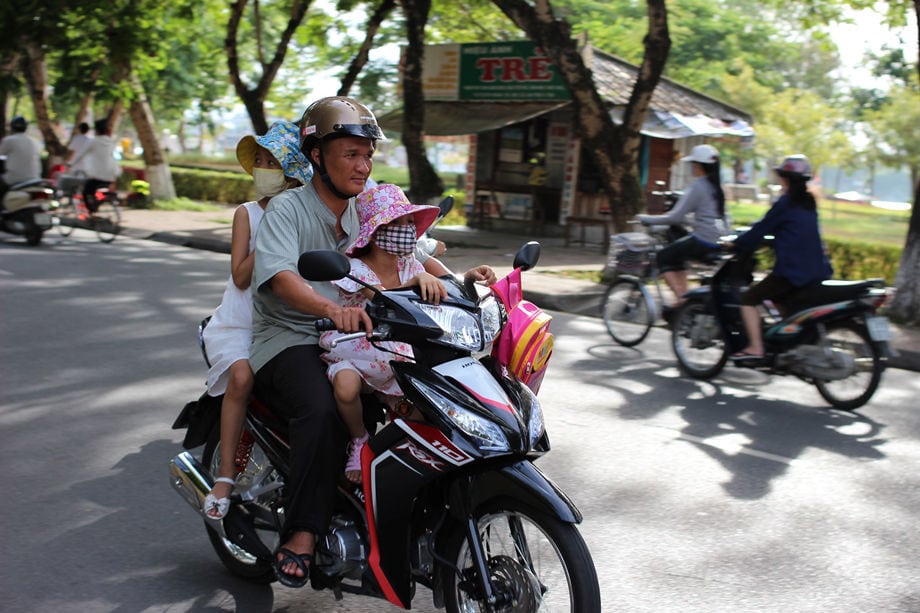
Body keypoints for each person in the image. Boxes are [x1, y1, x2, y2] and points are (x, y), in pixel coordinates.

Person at [251, 96, 491, 587]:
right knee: (320, 409)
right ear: (316, 155)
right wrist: (333, 309)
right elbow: (280, 278)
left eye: (368, 155)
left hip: (374, 332)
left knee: (439, 385)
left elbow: (413, 250)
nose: (362, 166)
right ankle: (302, 533)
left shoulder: (374, 202)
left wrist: (464, 283)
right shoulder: (287, 210)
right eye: (350, 155)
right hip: (291, 336)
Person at [321, 184, 492, 483]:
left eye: (408, 222)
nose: (405, 229)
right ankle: (359, 439)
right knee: (346, 387)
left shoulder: (410, 263)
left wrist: (468, 279)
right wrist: (415, 280)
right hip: (359, 349)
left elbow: (447, 289)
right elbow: (384, 299)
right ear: (375, 231)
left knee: (427, 407)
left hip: (400, 353)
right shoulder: (356, 269)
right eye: (395, 223)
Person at [201, 121, 312, 520]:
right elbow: (241, 276)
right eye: (260, 160)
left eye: (272, 161)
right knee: (244, 379)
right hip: (238, 325)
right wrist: (272, 232)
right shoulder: (246, 214)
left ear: (291, 172)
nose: (263, 168)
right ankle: (227, 474)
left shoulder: (306, 212)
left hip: (286, 323)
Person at [729, 154, 833, 360]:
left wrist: (736, 242)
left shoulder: (786, 203)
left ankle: (756, 347)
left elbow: (760, 228)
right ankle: (787, 343)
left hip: (793, 272)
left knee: (749, 299)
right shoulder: (808, 203)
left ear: (785, 179)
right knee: (779, 299)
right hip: (818, 269)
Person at [637, 144, 728, 315]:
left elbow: (674, 217)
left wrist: (645, 218)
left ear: (699, 166)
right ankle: (684, 298)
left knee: (662, 257)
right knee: (678, 257)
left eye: (693, 164)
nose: (692, 167)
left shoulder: (699, 186)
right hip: (718, 240)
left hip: (703, 239)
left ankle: (684, 301)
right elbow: (717, 219)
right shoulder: (717, 188)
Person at [69, 118, 120, 211]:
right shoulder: (110, 142)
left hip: (97, 176)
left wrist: (70, 163)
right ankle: (97, 205)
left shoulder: (93, 141)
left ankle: (92, 211)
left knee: (86, 192)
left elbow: (80, 154)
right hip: (111, 175)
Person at [0, 116, 42, 201]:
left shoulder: (9, 140)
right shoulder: (34, 141)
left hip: (14, 178)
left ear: (11, 127)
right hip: (35, 178)